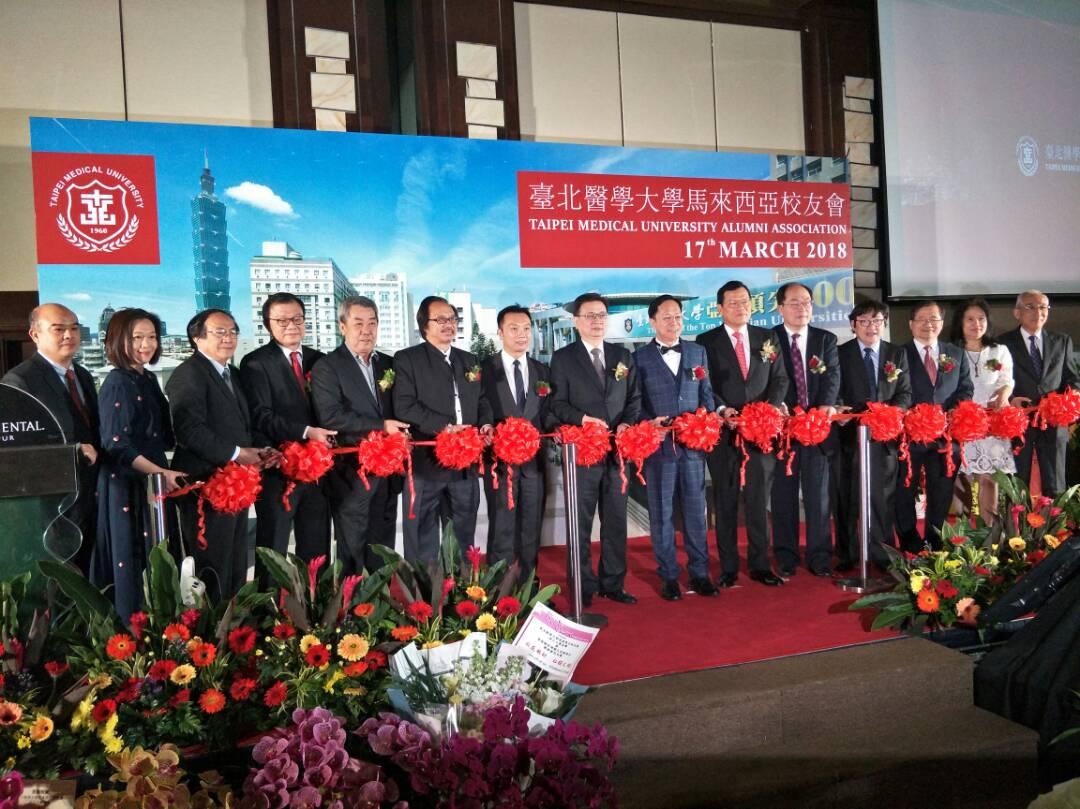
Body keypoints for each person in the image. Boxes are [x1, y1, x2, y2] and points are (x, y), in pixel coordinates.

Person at [166, 309, 270, 601]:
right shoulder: (188, 374)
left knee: (236, 560)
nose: (228, 337)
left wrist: (259, 451)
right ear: (197, 338)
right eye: (219, 332)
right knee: (211, 564)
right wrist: (238, 453)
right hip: (205, 484)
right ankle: (209, 633)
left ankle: (232, 624)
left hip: (233, 484)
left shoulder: (231, 373)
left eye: (233, 331)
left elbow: (241, 424)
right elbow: (189, 430)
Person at [91, 308, 185, 622]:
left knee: (158, 561)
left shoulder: (145, 379)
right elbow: (116, 444)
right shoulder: (118, 382)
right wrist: (160, 473)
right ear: (118, 340)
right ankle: (132, 645)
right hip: (127, 486)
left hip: (153, 479)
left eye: (152, 337)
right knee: (131, 562)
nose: (146, 344)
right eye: (137, 337)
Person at [549, 292, 641, 605]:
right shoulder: (562, 359)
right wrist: (582, 419)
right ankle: (582, 586)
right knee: (581, 523)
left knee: (616, 520)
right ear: (576, 321)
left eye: (601, 315)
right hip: (582, 452)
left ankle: (613, 583)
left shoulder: (623, 355)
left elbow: (634, 399)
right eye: (589, 315)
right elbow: (556, 403)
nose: (596, 321)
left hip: (617, 453)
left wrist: (628, 424)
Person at [696, 281, 788, 588]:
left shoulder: (767, 337)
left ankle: (761, 565)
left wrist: (767, 411)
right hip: (725, 434)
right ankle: (729, 567)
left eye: (745, 302)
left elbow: (780, 379)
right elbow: (705, 385)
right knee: (725, 500)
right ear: (720, 308)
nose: (741, 307)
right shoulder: (705, 341)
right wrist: (722, 410)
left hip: (760, 434)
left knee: (758, 501)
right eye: (733, 303)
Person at [239, 293, 334, 584]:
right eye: (281, 320)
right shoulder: (255, 363)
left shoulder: (321, 361)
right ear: (268, 324)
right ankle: (267, 614)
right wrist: (305, 432)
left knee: (317, 548)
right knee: (273, 547)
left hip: (318, 473)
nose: (291, 325)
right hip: (278, 470)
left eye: (297, 319)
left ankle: (316, 612)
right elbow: (261, 415)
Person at [311, 296, 409, 575]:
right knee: (352, 548)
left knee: (382, 546)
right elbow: (331, 417)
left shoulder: (388, 364)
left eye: (372, 323)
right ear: (343, 327)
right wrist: (381, 426)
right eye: (358, 323)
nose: (366, 330)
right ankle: (350, 612)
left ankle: (379, 606)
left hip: (389, 474)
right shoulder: (327, 367)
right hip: (352, 475)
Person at [392, 296, 493, 563]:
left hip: (465, 466)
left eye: (452, 319)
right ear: (424, 325)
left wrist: (484, 423)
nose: (449, 324)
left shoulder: (469, 359)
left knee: (462, 535)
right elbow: (404, 407)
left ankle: (461, 597)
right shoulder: (407, 359)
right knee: (423, 535)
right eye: (441, 319)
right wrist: (444, 427)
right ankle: (425, 600)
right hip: (427, 464)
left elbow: (482, 399)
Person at [2, 303, 100, 573]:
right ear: (35, 335)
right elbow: (21, 448)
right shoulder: (20, 381)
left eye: (74, 328)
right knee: (62, 577)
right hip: (54, 505)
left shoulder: (82, 375)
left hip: (89, 494)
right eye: (59, 329)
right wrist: (72, 449)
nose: (69, 335)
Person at [634, 295, 717, 601]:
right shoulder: (639, 358)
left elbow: (706, 393)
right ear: (652, 321)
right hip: (659, 451)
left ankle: (700, 572)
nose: (674, 323)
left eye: (678, 317)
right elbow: (636, 402)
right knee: (662, 513)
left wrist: (706, 420)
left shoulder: (698, 352)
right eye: (666, 317)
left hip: (693, 448)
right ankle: (668, 574)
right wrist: (647, 422)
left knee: (697, 512)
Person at [769, 282, 840, 578]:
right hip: (783, 430)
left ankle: (820, 556)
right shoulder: (768, 339)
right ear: (781, 307)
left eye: (807, 302)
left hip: (817, 430)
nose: (802, 308)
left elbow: (833, 375)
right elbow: (767, 378)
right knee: (783, 496)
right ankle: (786, 555)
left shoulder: (826, 339)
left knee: (818, 496)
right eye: (795, 303)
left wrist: (825, 406)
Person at [834, 300, 912, 568]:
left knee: (883, 496)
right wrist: (839, 408)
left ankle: (881, 553)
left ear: (884, 323)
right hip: (850, 437)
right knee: (849, 497)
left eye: (877, 320)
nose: (871, 326)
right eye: (864, 321)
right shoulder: (840, 353)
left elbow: (905, 392)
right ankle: (849, 554)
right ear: (853, 325)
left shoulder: (896, 353)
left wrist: (892, 413)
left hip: (884, 437)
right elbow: (835, 389)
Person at [480, 305, 552, 585]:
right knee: (502, 526)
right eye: (514, 328)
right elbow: (480, 405)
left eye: (526, 329)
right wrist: (486, 425)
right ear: (500, 332)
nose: (521, 335)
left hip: (534, 464)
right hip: (500, 465)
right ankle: (497, 591)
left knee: (531, 527)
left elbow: (548, 413)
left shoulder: (541, 370)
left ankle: (529, 588)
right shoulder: (484, 369)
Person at [895, 300, 973, 551]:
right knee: (905, 485)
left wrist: (955, 408)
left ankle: (934, 534)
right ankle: (907, 534)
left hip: (945, 436)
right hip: (910, 435)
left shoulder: (956, 353)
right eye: (922, 319)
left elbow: (965, 388)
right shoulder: (898, 353)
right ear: (911, 324)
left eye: (934, 319)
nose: (928, 324)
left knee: (941, 488)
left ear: (942, 323)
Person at [999, 290, 1079, 496]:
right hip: (1019, 422)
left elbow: (1072, 380)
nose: (1038, 312)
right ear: (1017, 312)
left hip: (1053, 422)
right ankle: (1017, 528)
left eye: (1043, 307)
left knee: (1055, 485)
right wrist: (1009, 400)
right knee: (1017, 486)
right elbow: (997, 382)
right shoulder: (1003, 343)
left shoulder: (1062, 341)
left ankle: (1054, 527)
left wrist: (1066, 401)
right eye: (1030, 307)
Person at [949, 298, 1015, 520]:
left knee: (988, 481)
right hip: (961, 424)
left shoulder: (999, 350)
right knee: (962, 480)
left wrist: (1004, 395)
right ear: (960, 322)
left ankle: (991, 541)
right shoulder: (949, 352)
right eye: (970, 319)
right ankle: (962, 542)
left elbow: (1007, 379)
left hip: (991, 424)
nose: (976, 324)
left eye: (981, 319)